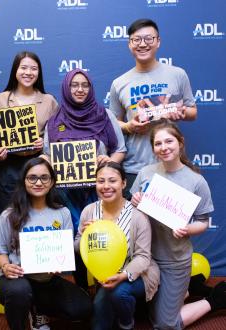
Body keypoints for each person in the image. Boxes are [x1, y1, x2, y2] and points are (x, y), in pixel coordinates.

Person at [131, 119, 226, 329]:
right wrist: (135, 201)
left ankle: (215, 299)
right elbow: (133, 212)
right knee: (141, 312)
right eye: (158, 143)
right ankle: (190, 287)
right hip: (146, 257)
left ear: (180, 142)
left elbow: (203, 222)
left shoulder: (195, 181)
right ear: (153, 147)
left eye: (169, 141)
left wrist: (187, 230)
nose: (164, 147)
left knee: (164, 324)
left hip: (175, 260)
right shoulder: (145, 173)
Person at [0, 158, 92, 330]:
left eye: (44, 177)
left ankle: (37, 309)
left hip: (47, 280)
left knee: (83, 308)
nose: (38, 182)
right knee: (19, 291)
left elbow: (68, 249)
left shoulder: (63, 213)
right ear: (24, 181)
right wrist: (6, 266)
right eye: (32, 178)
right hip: (16, 279)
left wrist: (83, 235)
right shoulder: (9, 215)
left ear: (52, 181)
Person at [109, 18, 197, 199]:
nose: (143, 44)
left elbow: (192, 112)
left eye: (149, 39)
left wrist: (179, 114)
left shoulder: (177, 74)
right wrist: (129, 126)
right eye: (136, 40)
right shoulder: (119, 83)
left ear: (158, 41)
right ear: (129, 44)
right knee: (135, 225)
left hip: (170, 164)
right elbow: (113, 123)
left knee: (169, 227)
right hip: (135, 167)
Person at [74, 161, 160, 330]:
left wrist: (122, 276)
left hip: (139, 274)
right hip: (106, 278)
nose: (106, 186)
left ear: (123, 183)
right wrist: (84, 236)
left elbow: (143, 257)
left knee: (119, 293)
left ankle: (126, 324)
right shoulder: (89, 211)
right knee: (98, 325)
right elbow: (77, 248)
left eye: (112, 181)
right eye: (100, 181)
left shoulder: (138, 216)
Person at [44, 68, 126, 233]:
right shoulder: (54, 121)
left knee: (99, 235)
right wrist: (47, 161)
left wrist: (109, 162)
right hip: (65, 194)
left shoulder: (105, 115)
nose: (80, 90)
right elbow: (47, 155)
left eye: (85, 85)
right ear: (66, 88)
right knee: (72, 238)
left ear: (90, 88)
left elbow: (120, 150)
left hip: (100, 189)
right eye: (74, 85)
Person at [0, 51, 58, 213]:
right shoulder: (0, 99)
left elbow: (58, 136)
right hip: (8, 167)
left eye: (34, 69)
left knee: (38, 218)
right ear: (15, 70)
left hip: (39, 165)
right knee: (10, 219)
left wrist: (44, 145)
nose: (28, 72)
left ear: (39, 72)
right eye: (23, 68)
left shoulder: (49, 101)